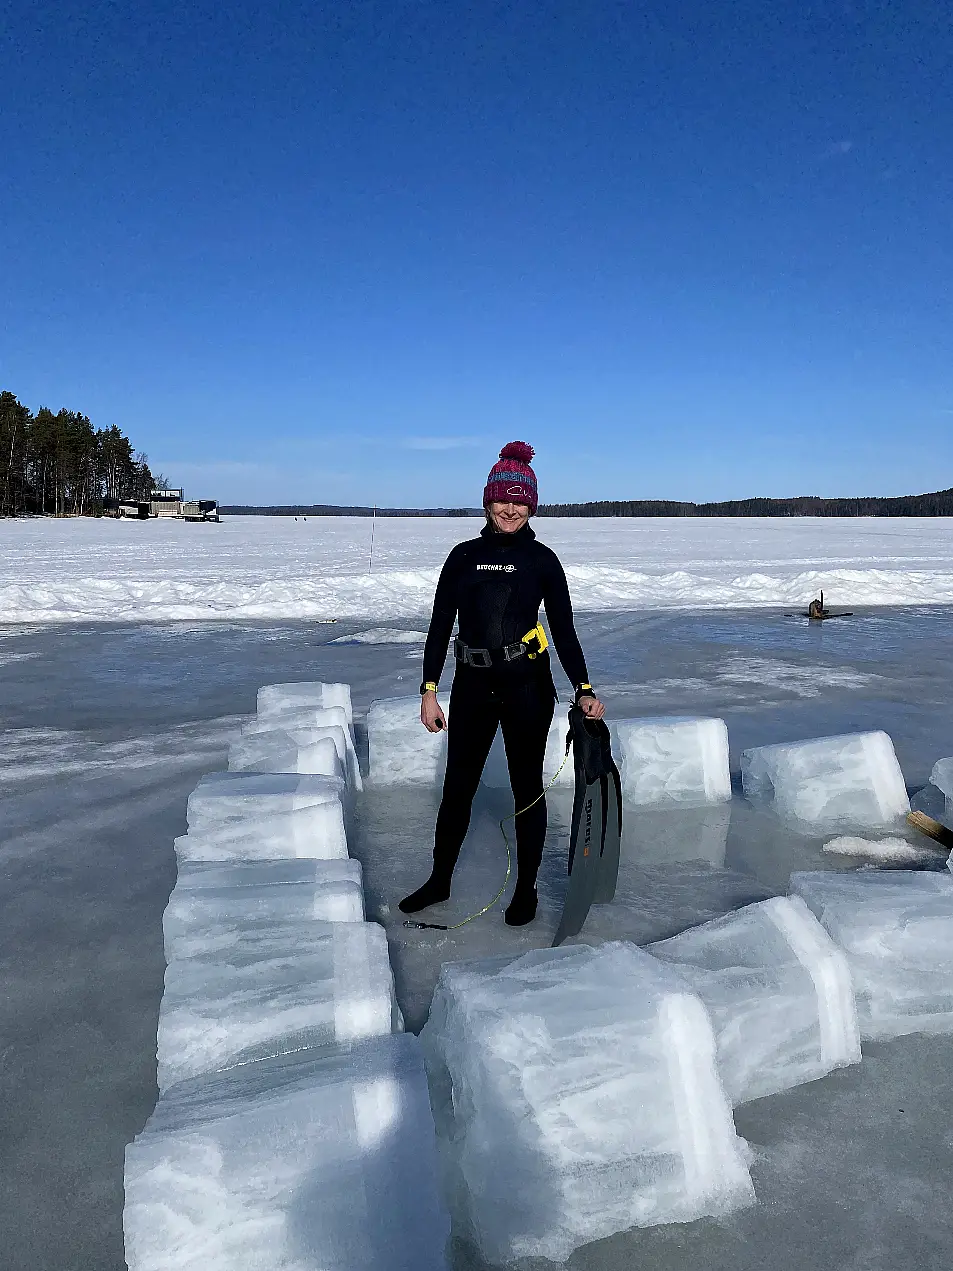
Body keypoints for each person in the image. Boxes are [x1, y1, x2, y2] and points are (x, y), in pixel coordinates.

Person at [399, 441, 606, 927]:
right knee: (457, 790)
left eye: (519, 501)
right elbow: (437, 627)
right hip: (471, 687)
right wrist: (429, 690)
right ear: (487, 502)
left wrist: (584, 687)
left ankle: (526, 889)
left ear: (530, 505)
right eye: (501, 500)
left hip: (527, 688)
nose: (509, 509)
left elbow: (564, 630)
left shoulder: (542, 560)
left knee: (526, 788)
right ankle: (439, 880)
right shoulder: (463, 556)